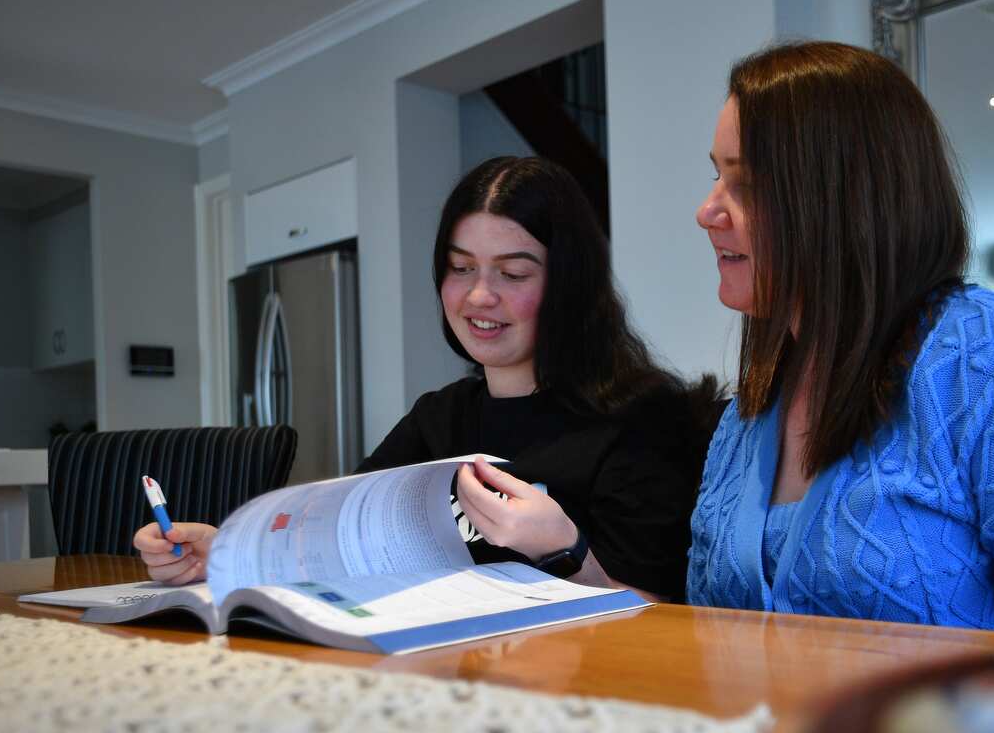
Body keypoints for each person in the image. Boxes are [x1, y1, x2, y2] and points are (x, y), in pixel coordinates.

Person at [135, 156, 715, 602]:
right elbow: (333, 535)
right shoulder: (440, 417)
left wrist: (565, 551)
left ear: (571, 284)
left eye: (513, 273)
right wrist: (222, 552)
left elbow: (662, 615)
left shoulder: (643, 418)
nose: (479, 296)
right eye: (461, 268)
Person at [687, 41, 994, 635]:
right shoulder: (753, 406)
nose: (707, 211)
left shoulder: (983, 354)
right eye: (717, 175)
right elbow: (701, 630)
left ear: (847, 198)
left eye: (749, 183)